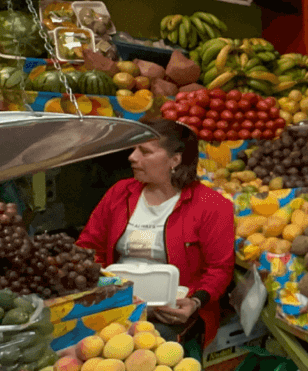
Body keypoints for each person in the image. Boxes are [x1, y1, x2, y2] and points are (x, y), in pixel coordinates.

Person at [77, 119, 235, 346]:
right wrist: (100, 286)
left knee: (150, 351)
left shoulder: (212, 206)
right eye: (134, 149)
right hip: (116, 302)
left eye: (145, 152)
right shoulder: (120, 193)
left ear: (175, 160)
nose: (132, 157)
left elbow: (219, 269)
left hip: (172, 312)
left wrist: (195, 302)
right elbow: (89, 246)